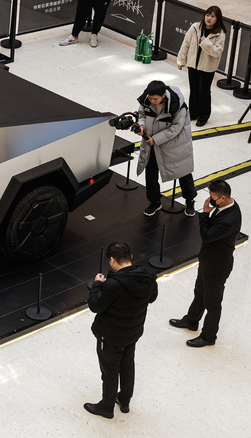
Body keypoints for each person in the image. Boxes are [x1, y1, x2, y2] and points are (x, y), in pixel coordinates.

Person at [84, 242, 158, 419]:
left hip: (110, 335)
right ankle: (124, 401)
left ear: (112, 260)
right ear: (131, 257)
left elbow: (95, 306)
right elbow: (152, 298)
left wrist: (97, 285)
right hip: (133, 332)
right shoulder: (148, 276)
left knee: (109, 371)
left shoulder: (112, 285)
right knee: (127, 365)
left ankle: (106, 407)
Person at [169, 179, 241, 348]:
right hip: (208, 261)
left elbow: (207, 235)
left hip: (217, 266)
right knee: (199, 291)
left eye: (213, 197)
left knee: (213, 303)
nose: (210, 200)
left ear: (222, 198)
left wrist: (204, 214)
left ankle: (209, 336)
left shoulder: (229, 219)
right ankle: (192, 320)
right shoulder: (225, 207)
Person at [135, 80, 197, 217]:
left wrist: (156, 139)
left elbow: (176, 128)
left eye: (155, 99)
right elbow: (141, 115)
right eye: (150, 98)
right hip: (152, 145)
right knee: (150, 174)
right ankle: (155, 202)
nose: (151, 101)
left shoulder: (178, 107)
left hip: (175, 146)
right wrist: (141, 126)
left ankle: (190, 199)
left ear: (163, 96)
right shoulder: (146, 100)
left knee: (183, 173)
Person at [176, 6, 226, 127]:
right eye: (208, 15)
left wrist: (205, 42)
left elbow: (217, 52)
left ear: (217, 19)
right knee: (193, 89)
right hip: (193, 64)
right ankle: (192, 113)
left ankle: (203, 116)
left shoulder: (220, 34)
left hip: (207, 68)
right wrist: (181, 60)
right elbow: (186, 44)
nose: (209, 18)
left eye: (213, 16)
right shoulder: (195, 27)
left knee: (204, 91)